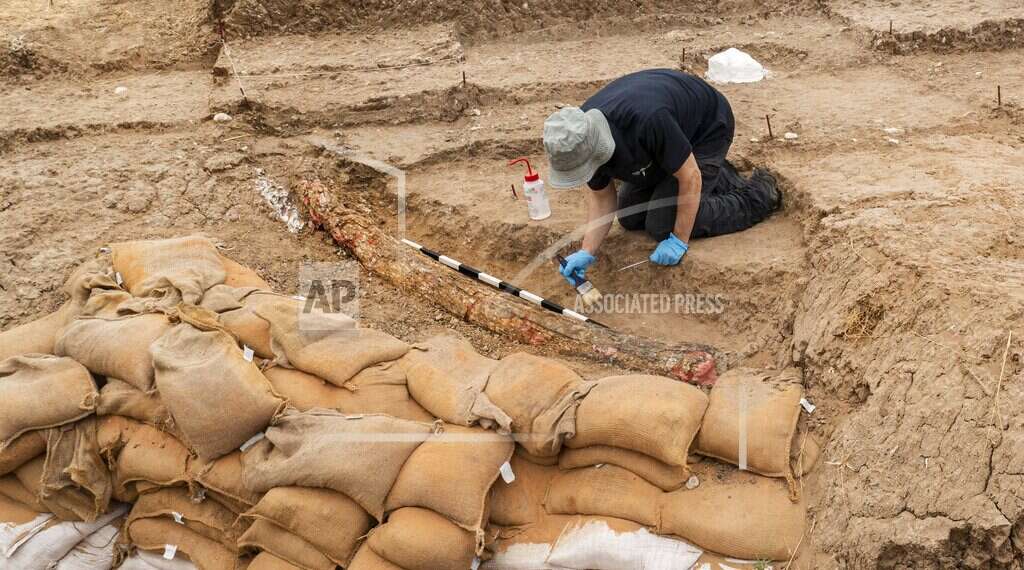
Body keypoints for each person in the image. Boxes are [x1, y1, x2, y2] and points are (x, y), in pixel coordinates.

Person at [542, 68, 780, 285]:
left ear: (597, 149)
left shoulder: (645, 120)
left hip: (705, 128)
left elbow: (690, 176)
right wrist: (587, 251)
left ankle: (758, 194)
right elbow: (602, 197)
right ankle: (713, 173)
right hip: (663, 139)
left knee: (661, 224)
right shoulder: (577, 136)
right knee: (629, 217)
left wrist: (679, 240)